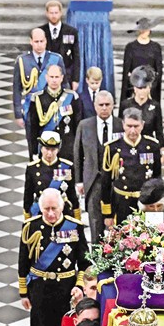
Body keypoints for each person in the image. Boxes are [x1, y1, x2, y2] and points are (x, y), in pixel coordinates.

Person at [18, 188, 88, 326]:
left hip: (66, 291)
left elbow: (84, 262)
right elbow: (23, 261)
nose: (50, 213)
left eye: (54, 209)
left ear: (62, 207)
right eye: (46, 209)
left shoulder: (74, 227)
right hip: (40, 291)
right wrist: (24, 292)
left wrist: (80, 285)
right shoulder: (31, 227)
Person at [99, 108, 162, 226]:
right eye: (129, 126)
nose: (132, 130)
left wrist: (157, 208)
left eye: (136, 126)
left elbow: (157, 178)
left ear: (142, 125)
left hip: (146, 203)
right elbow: (106, 182)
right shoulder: (112, 148)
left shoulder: (152, 146)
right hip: (122, 203)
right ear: (123, 125)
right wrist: (108, 214)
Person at [73, 90, 122, 241]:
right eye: (101, 105)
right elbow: (78, 154)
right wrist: (79, 181)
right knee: (95, 223)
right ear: (95, 106)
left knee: (118, 224)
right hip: (93, 181)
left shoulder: (121, 125)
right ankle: (96, 258)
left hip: (116, 183)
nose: (104, 108)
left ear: (113, 105)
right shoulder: (84, 125)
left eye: (107, 105)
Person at [12, 28, 64, 131]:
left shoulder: (56, 59)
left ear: (46, 41)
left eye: (41, 41)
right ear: (31, 41)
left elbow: (65, 85)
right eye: (36, 41)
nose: (39, 45)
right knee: (32, 144)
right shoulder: (22, 61)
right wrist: (18, 114)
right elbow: (17, 89)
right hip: (31, 108)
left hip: (52, 107)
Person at [26, 64, 82, 161]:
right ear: (46, 78)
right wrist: (34, 152)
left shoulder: (72, 97)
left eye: (57, 77)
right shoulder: (38, 99)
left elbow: (77, 126)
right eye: (51, 77)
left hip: (66, 149)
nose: (54, 80)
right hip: (46, 149)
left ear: (62, 78)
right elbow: (33, 129)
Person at [24, 131, 80, 220]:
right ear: (41, 148)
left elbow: (71, 193)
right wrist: (27, 216)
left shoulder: (66, 167)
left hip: (62, 212)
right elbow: (28, 195)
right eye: (47, 149)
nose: (49, 153)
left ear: (58, 149)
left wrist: (76, 215)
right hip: (40, 212)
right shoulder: (32, 168)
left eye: (53, 149)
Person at [120, 18, 163, 112]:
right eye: (142, 29)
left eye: (146, 29)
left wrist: (150, 88)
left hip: (150, 88)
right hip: (134, 88)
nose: (144, 32)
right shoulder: (130, 47)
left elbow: (159, 70)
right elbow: (126, 72)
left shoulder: (156, 47)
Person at [40, 0, 80, 90]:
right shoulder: (41, 32)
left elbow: (76, 57)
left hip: (66, 77)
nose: (54, 15)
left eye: (56, 12)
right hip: (45, 78)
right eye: (51, 13)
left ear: (61, 13)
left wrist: (76, 79)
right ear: (47, 13)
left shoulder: (71, 32)